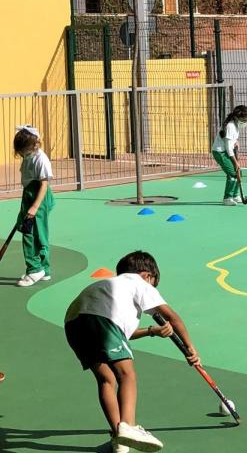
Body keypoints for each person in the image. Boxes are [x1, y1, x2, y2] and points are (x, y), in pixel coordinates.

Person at [64, 251, 200, 453]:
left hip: (73, 324)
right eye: (153, 284)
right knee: (126, 374)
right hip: (101, 320)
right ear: (147, 275)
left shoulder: (112, 289)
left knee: (106, 379)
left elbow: (118, 334)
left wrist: (152, 331)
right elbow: (172, 317)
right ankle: (128, 426)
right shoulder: (139, 282)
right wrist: (190, 348)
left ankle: (119, 439)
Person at [13, 125, 55, 287]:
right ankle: (44, 269)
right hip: (29, 196)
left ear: (33, 145)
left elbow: (44, 185)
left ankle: (35, 269)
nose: (21, 153)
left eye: (23, 150)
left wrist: (34, 207)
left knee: (31, 235)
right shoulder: (28, 155)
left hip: (39, 199)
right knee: (35, 232)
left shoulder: (41, 159)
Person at [211, 105, 247, 206]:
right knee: (233, 173)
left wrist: (236, 142)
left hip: (227, 151)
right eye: (244, 120)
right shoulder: (230, 126)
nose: (246, 122)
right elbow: (228, 148)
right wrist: (235, 162)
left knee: (239, 173)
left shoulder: (236, 125)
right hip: (220, 152)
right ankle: (227, 198)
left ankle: (235, 195)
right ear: (237, 117)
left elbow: (232, 140)